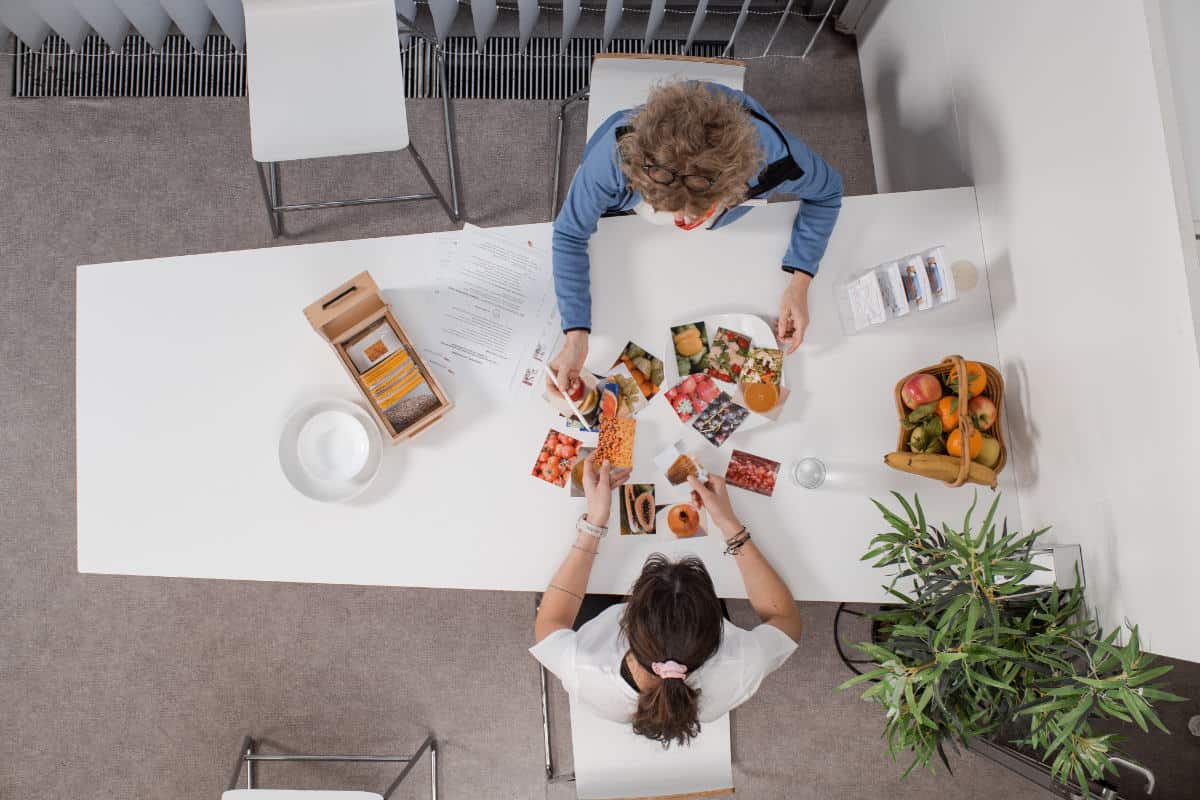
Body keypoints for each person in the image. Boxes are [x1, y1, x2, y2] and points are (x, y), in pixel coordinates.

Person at [548, 80, 844, 398]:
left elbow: (828, 193)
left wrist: (800, 282)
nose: (681, 223)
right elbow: (568, 233)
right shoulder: (615, 154)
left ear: (736, 185)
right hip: (628, 234)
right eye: (668, 211)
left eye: (694, 216)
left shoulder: (774, 157)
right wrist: (575, 334)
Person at [531, 454, 803, 746]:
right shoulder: (742, 665)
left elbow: (550, 622)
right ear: (716, 629)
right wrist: (728, 523)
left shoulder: (584, 666)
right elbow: (786, 620)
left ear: (625, 620)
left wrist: (594, 522)